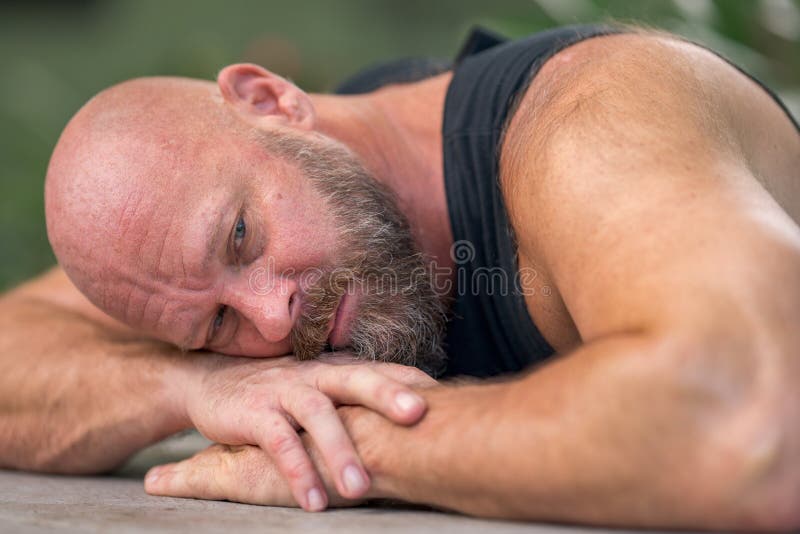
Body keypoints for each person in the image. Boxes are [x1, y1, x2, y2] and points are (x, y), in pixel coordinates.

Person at [2, 24, 799, 531]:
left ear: (272, 101)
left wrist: (365, 448)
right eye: (216, 327)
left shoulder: (589, 129)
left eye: (243, 238)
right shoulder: (210, 236)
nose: (271, 322)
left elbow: (758, 429)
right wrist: (194, 385)